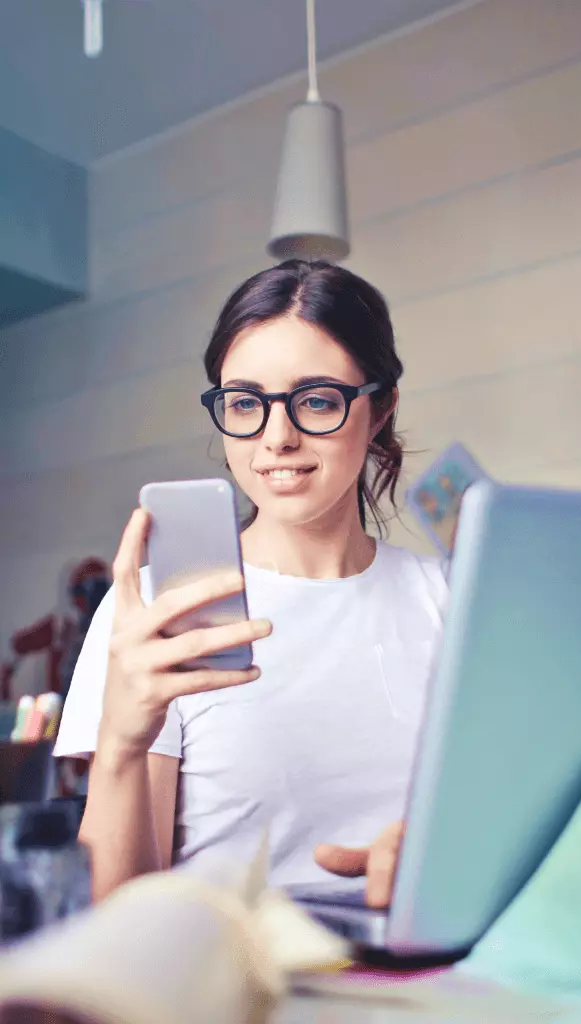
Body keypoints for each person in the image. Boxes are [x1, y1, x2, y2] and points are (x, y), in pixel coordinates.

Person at [54, 260, 446, 905]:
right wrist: (123, 742)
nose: (277, 437)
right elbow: (117, 917)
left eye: (316, 400)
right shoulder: (161, 611)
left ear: (379, 410)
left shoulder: (453, 601)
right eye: (245, 403)